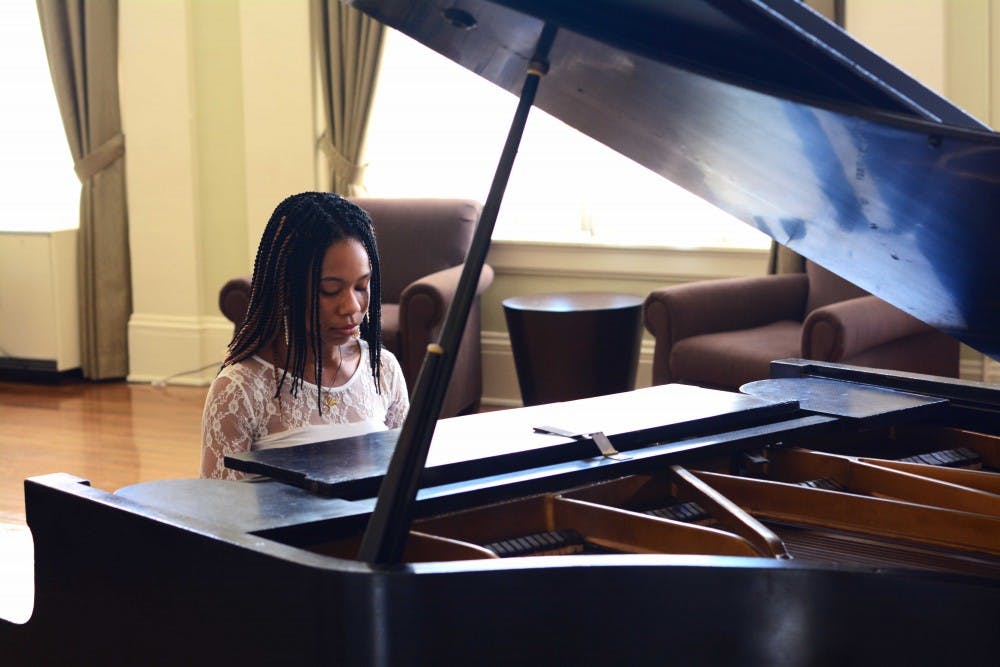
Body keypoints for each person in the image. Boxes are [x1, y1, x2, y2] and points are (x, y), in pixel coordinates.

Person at [201, 192, 409, 480]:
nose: (351, 306)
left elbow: (404, 479)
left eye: (362, 286)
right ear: (287, 288)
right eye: (330, 290)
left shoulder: (383, 369)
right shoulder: (239, 390)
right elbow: (219, 504)